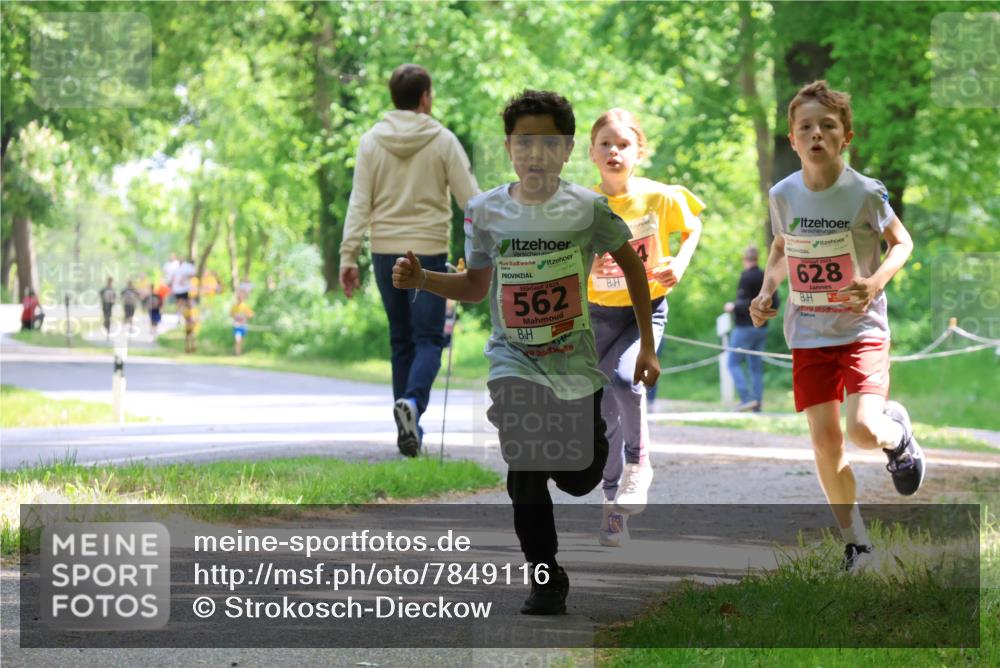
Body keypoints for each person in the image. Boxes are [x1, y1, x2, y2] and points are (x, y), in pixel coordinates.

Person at [393, 90, 659, 615]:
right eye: (523, 142)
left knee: (580, 478)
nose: (535, 153)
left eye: (547, 143)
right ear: (509, 148)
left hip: (575, 366)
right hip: (513, 360)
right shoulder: (485, 211)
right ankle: (544, 576)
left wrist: (647, 345)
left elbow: (632, 268)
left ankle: (584, 462)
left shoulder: (587, 209)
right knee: (526, 464)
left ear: (566, 150)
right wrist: (424, 278)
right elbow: (475, 286)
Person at [749, 80, 925, 573]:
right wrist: (766, 292)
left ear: (846, 136)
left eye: (828, 125)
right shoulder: (782, 194)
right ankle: (857, 543)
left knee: (865, 430)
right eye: (806, 126)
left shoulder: (865, 192)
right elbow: (783, 248)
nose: (817, 134)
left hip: (861, 326)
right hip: (808, 333)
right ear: (793, 138)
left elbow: (903, 243)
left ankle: (899, 438)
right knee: (825, 442)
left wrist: (873, 283)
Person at [339, 63, 480, 457]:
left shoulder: (371, 141)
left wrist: (348, 256)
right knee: (429, 339)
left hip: (384, 252)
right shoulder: (443, 140)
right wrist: (484, 245)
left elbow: (359, 203)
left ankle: (409, 426)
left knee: (401, 339)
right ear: (425, 97)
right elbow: (470, 199)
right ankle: (414, 407)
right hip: (429, 253)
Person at [586, 108, 704, 547]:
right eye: (605, 144)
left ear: (639, 152)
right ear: (592, 153)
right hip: (597, 313)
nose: (614, 151)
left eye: (623, 144)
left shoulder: (658, 197)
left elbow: (692, 227)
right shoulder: (584, 204)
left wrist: (679, 263)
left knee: (625, 381)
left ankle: (640, 462)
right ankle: (613, 505)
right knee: (606, 415)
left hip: (644, 310)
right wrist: (589, 262)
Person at [725, 246, 777, 412]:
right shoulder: (765, 277)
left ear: (744, 259)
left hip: (744, 327)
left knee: (732, 362)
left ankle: (746, 398)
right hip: (761, 326)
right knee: (755, 366)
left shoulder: (746, 277)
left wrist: (732, 307)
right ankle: (757, 404)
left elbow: (743, 303)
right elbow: (775, 301)